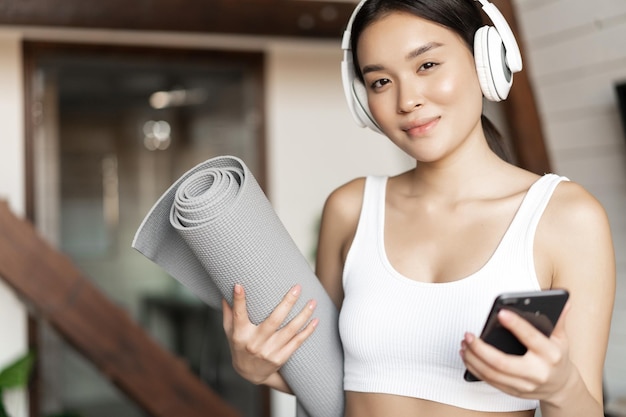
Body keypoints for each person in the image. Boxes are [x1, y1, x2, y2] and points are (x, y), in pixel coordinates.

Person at [221, 0, 616, 416]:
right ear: (362, 99)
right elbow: (335, 379)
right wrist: (259, 368)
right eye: (379, 82)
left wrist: (561, 388)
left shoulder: (567, 217)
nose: (407, 100)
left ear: (487, 61)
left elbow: (582, 404)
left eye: (426, 65)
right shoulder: (351, 207)